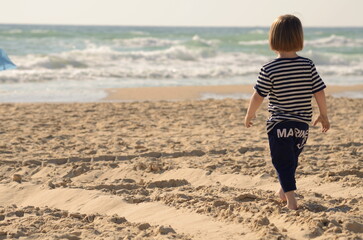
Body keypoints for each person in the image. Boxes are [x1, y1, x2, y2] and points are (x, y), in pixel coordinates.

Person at [244, 14, 330, 210]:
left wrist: (250, 114)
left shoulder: (270, 68)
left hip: (279, 124)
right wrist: (323, 114)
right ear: (299, 38)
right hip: (301, 125)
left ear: (273, 39)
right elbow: (319, 91)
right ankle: (283, 191)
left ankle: (291, 201)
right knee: (291, 160)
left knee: (282, 162)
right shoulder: (307, 65)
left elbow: (258, 95)